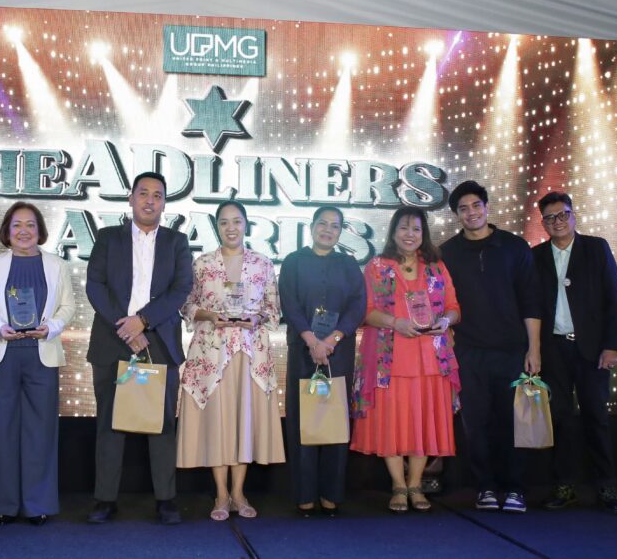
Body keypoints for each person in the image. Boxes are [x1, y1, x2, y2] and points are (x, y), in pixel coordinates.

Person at [85, 171, 194, 525]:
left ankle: (166, 500)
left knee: (161, 424)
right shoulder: (107, 238)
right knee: (109, 424)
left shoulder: (177, 243)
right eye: (143, 193)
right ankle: (104, 499)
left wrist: (143, 321)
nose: (150, 200)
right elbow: (95, 286)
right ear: (130, 199)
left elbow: (181, 290)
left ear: (164, 203)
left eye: (157, 195)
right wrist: (126, 326)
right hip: (112, 339)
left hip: (158, 340)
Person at [177, 201, 286, 521]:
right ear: (217, 227)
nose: (231, 228)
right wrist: (210, 315)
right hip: (212, 354)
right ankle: (221, 494)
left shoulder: (262, 264)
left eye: (237, 221)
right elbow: (186, 305)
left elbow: (273, 310)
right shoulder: (202, 264)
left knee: (243, 421)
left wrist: (255, 319)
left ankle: (239, 492)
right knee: (218, 422)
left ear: (246, 224)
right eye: (224, 222)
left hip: (249, 354)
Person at [351, 206, 461, 513]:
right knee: (392, 422)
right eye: (403, 228)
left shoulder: (436, 267)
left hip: (430, 360)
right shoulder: (377, 266)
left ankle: (416, 485)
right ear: (393, 232)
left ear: (423, 234)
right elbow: (365, 312)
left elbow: (453, 307)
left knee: (423, 422)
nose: (410, 235)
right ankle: (398, 485)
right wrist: (394, 322)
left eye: (416, 229)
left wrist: (446, 321)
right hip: (390, 359)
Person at [439, 180, 541, 513]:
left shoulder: (514, 247)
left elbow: (531, 301)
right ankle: (484, 486)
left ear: (486, 207)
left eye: (476, 206)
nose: (471, 213)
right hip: (468, 352)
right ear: (457, 215)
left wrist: (534, 349)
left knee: (513, 422)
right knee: (475, 423)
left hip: (513, 350)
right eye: (463, 209)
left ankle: (515, 488)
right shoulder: (447, 253)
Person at [0, 202, 76, 526]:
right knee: (1, 429)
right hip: (3, 352)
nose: (23, 231)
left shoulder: (57, 265)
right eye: (17, 225)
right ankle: (3, 503)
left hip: (41, 354)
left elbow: (67, 307)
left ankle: (37, 503)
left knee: (40, 431)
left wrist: (51, 327)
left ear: (40, 230)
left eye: (30, 225)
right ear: (7, 230)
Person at [532, 191, 617, 514]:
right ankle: (564, 486)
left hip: (592, 349)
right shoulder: (536, 256)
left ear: (574, 216)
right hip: (553, 349)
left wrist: (613, 345)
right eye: (550, 218)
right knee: (559, 418)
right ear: (543, 223)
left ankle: (607, 487)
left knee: (595, 416)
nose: (557, 222)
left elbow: (614, 298)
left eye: (563, 214)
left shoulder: (596, 248)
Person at [278, 206, 366, 517]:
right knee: (303, 420)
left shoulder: (348, 264)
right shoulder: (293, 261)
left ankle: (331, 494)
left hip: (337, 353)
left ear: (340, 232)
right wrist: (312, 340)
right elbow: (289, 303)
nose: (328, 230)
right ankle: (304, 494)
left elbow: (358, 305)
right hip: (303, 350)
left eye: (335, 226)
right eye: (322, 224)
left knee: (334, 420)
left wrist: (332, 340)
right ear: (312, 226)